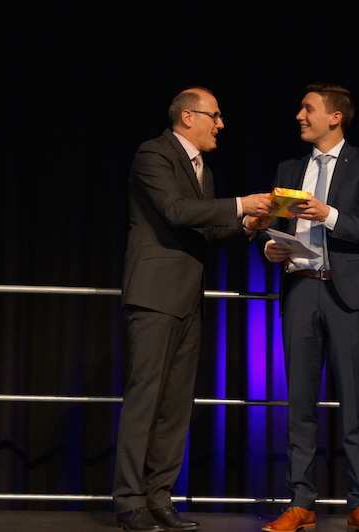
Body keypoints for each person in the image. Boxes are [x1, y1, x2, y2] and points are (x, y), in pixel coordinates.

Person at [113, 86, 274, 532]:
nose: (221, 124)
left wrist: (247, 225)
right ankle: (129, 501)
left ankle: (159, 497)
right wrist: (240, 204)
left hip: (188, 297)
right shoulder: (154, 154)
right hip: (154, 295)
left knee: (176, 404)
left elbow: (207, 232)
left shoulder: (204, 170)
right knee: (145, 399)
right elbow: (176, 210)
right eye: (214, 116)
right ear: (188, 117)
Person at [257, 83, 359, 532]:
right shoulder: (290, 167)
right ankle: (301, 502)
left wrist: (328, 214)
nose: (300, 115)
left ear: (335, 117)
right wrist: (269, 247)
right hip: (300, 290)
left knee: (354, 404)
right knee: (299, 404)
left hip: (347, 295)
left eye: (308, 108)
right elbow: (269, 226)